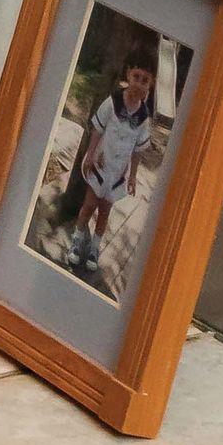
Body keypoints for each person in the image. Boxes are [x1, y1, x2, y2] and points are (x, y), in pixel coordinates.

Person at [65, 52, 162, 285]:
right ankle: (78, 241)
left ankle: (94, 247)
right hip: (100, 164)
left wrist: (133, 177)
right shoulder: (112, 103)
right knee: (89, 204)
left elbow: (138, 150)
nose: (139, 83)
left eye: (145, 80)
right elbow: (97, 130)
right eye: (136, 76)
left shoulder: (143, 118)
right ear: (128, 74)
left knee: (105, 211)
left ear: (151, 84)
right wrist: (89, 155)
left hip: (119, 172)